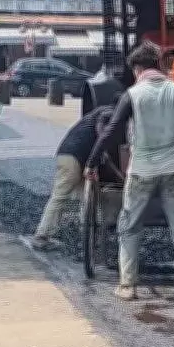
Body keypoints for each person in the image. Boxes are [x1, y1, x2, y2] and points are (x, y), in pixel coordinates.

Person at [85, 42, 174, 302]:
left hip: (141, 170)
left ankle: (128, 286)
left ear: (138, 70)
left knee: (130, 226)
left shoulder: (132, 95)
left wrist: (91, 163)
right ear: (159, 65)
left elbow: (112, 130)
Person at [29, 105, 116, 251]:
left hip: (71, 155)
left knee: (87, 197)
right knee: (60, 196)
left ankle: (89, 234)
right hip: (73, 158)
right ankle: (41, 235)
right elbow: (102, 135)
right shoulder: (108, 113)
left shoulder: (93, 116)